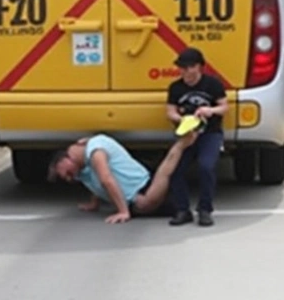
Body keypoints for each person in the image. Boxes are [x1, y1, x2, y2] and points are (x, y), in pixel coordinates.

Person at [48, 132, 196, 224]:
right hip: (132, 200)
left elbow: (106, 179)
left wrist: (123, 212)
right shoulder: (80, 167)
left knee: (146, 203)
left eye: (67, 173)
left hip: (145, 186)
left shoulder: (96, 151)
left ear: (67, 158)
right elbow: (93, 180)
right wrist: (94, 203)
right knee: (145, 208)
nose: (70, 178)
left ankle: (181, 144)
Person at [165, 47, 228, 227]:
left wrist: (210, 111)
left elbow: (224, 107)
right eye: (182, 68)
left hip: (210, 134)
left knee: (206, 167)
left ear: (200, 67)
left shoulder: (213, 84)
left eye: (189, 68)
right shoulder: (175, 88)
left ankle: (205, 209)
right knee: (176, 169)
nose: (185, 72)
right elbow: (169, 111)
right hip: (186, 134)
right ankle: (182, 209)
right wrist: (182, 118)